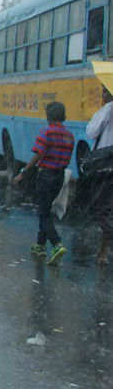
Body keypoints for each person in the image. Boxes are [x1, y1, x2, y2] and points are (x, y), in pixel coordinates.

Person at [12, 101, 75, 266]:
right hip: (59, 177)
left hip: (45, 176)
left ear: (49, 116)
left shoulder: (47, 132)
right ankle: (40, 245)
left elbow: (38, 154)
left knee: (42, 212)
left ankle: (57, 244)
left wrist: (23, 173)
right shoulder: (70, 136)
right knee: (46, 209)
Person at [86, 86, 113, 264]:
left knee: (104, 208)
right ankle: (103, 252)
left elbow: (91, 132)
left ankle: (104, 251)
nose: (103, 94)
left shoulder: (108, 109)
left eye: (105, 91)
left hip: (107, 167)